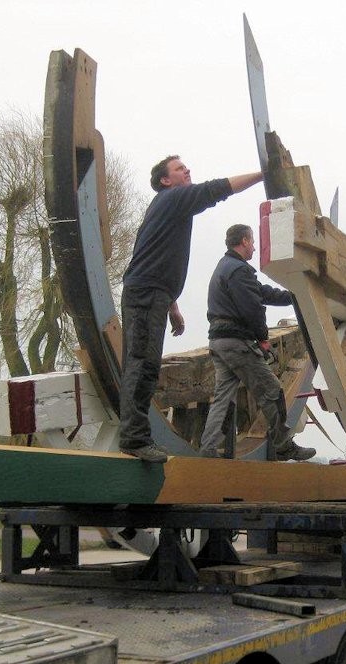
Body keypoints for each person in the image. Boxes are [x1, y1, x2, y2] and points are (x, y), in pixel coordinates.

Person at [119, 156, 263, 463]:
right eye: (179, 169)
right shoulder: (173, 198)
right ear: (165, 180)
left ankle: (135, 437)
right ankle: (134, 439)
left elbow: (151, 255)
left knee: (143, 363)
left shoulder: (166, 208)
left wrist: (172, 304)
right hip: (146, 294)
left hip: (151, 293)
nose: (187, 170)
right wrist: (263, 174)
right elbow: (217, 189)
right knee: (143, 365)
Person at [198, 224, 316, 462]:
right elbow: (252, 308)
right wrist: (262, 337)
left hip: (219, 342)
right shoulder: (239, 270)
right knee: (272, 391)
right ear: (243, 241)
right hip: (237, 342)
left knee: (223, 398)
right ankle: (283, 445)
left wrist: (296, 296)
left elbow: (262, 293)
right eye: (252, 241)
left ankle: (208, 450)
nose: (254, 246)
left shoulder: (226, 267)